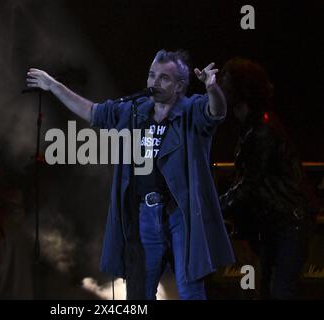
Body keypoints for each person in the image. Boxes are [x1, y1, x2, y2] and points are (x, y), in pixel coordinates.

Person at [27, 49, 235, 300]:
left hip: (182, 216)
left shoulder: (192, 110)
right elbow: (93, 112)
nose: (154, 82)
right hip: (144, 216)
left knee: (190, 290)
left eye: (163, 78)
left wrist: (212, 89)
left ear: (180, 86)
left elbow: (216, 112)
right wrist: (54, 86)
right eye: (151, 75)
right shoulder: (134, 111)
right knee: (138, 294)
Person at [218, 57, 315, 299]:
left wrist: (214, 207)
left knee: (280, 291)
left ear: (240, 90)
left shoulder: (261, 131)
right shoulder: (255, 127)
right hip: (278, 224)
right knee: (272, 291)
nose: (222, 89)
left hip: (288, 224)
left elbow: (250, 184)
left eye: (226, 84)